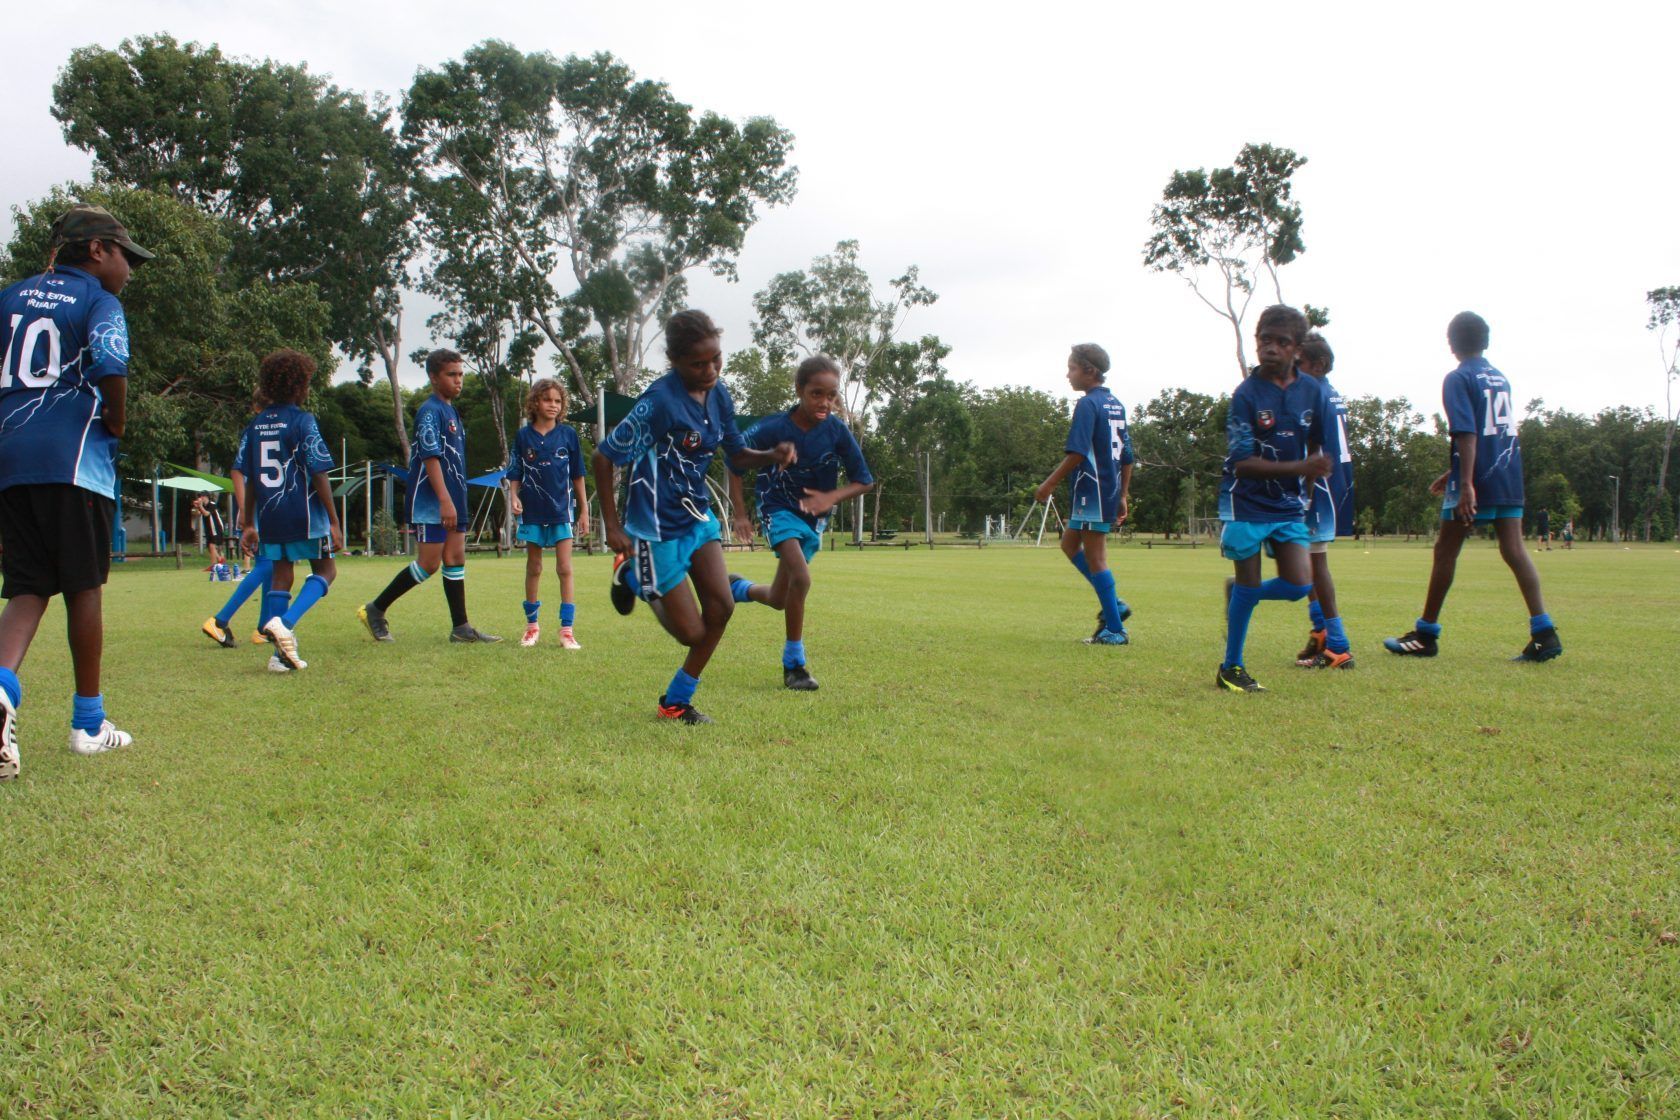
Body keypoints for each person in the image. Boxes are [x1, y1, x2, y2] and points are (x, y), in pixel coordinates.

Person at [0, 204, 153, 778]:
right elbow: (113, 363)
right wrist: (116, 420)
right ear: (95, 250)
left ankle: (0, 688)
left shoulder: (10, 295)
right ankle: (89, 724)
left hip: (11, 462)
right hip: (74, 461)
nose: (130, 270)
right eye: (125, 255)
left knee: (26, 589)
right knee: (84, 587)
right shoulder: (98, 300)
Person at [593, 309, 794, 723]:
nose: (710, 370)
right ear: (675, 361)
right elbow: (603, 456)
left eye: (716, 359)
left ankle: (675, 701)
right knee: (691, 632)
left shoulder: (720, 395)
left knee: (721, 609)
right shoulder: (659, 403)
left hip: (696, 515)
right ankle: (631, 574)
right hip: (655, 526)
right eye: (698, 364)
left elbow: (736, 453)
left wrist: (771, 454)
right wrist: (612, 526)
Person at [1383, 312, 1561, 661]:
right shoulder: (1500, 378)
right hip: (1507, 472)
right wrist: (1452, 472)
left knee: (1445, 551)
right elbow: (1493, 433)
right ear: (1485, 340)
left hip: (1477, 479)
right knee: (1514, 549)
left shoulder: (1458, 377)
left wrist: (1465, 483)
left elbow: (1467, 431)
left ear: (1451, 342)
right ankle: (1544, 632)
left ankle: (1425, 635)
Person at [725, 355, 874, 690]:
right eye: (816, 394)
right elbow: (734, 458)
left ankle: (739, 588)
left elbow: (864, 480)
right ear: (799, 391)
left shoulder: (836, 431)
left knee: (781, 597)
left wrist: (829, 498)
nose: (825, 402)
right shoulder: (773, 427)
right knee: (802, 579)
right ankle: (795, 666)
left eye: (832, 395)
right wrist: (740, 513)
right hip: (777, 509)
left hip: (813, 520)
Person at [1216, 305, 1331, 693]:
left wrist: (1307, 488)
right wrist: (1303, 468)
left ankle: (1240, 595)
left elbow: (1317, 442)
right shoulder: (1246, 395)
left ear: (1297, 349)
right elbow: (1243, 463)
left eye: (1282, 342)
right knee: (1250, 581)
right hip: (1245, 501)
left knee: (1300, 583)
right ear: (1257, 341)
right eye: (1265, 340)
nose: (1271, 349)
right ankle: (1231, 667)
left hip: (1287, 506)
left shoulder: (1312, 391)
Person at [359, 350, 500, 644]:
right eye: (452, 375)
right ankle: (376, 608)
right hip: (432, 499)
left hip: (455, 496)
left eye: (461, 374)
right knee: (429, 563)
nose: (458, 380)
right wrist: (444, 500)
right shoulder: (429, 411)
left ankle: (461, 627)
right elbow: (429, 456)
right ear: (434, 378)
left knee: (455, 557)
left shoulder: (451, 412)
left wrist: (456, 498)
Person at [235, 350, 344, 671]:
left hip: (269, 515)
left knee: (282, 576)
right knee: (326, 571)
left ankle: (278, 657)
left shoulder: (254, 427)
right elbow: (319, 473)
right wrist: (335, 522)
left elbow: (252, 477)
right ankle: (287, 623)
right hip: (304, 514)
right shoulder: (302, 421)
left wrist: (249, 520)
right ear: (300, 385)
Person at [1032, 343, 1134, 645]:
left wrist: (1049, 483)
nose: (1068, 375)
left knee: (1097, 558)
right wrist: (1124, 494)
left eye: (1072, 368)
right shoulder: (1115, 404)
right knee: (1068, 543)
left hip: (1094, 489)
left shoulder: (1089, 405)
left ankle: (1115, 629)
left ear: (1089, 371)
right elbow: (1127, 456)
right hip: (1107, 488)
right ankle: (1114, 604)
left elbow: (1077, 452)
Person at [506, 378, 588, 648]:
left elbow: (578, 475)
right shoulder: (523, 436)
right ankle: (531, 627)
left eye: (558, 400)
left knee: (565, 568)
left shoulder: (569, 435)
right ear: (535, 403)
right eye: (547, 400)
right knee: (534, 567)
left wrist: (584, 510)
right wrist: (514, 496)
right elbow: (515, 472)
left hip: (562, 511)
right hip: (532, 512)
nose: (553, 405)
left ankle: (567, 630)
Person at [1294, 331, 1356, 669]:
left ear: (1319, 365)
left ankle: (1338, 645)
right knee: (1306, 560)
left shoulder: (1313, 392)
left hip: (1318, 487)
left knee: (1315, 564)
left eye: (1300, 361)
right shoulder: (1329, 392)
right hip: (1332, 483)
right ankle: (1320, 632)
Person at [200, 417, 276, 649]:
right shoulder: (259, 428)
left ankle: (263, 629)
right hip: (259, 508)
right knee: (267, 565)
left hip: (264, 507)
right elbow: (237, 470)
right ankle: (220, 621)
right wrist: (245, 511)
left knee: (270, 566)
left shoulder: (263, 427)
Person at [193, 493, 229, 570]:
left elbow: (206, 514)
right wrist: (197, 507)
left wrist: (200, 506)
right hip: (209, 529)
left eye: (202, 496)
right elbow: (198, 514)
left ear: (206, 497)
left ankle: (214, 565)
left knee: (212, 546)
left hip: (216, 527)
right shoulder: (203, 506)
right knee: (210, 548)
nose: (200, 498)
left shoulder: (212, 504)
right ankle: (220, 560)